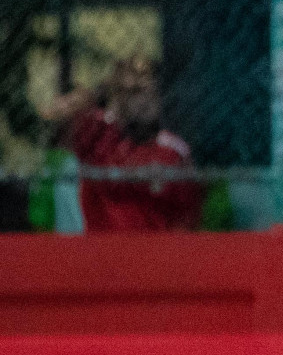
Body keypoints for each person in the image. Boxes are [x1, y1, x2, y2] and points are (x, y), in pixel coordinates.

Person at [40, 56, 202, 232]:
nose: (144, 100)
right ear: (117, 97)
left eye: (151, 91)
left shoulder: (172, 148)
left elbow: (187, 211)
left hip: (158, 249)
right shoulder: (100, 135)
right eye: (134, 92)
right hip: (103, 248)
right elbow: (65, 121)